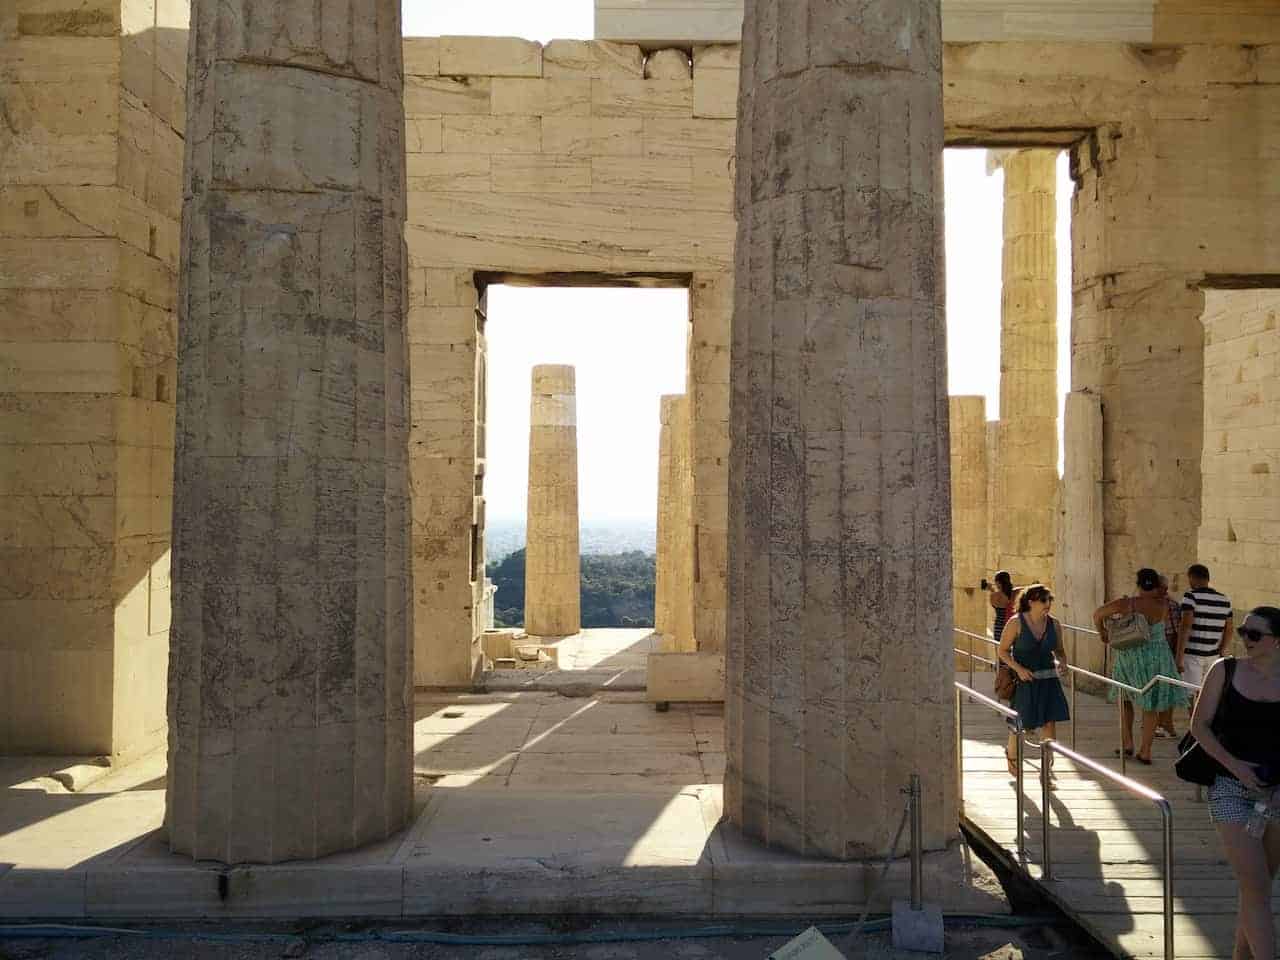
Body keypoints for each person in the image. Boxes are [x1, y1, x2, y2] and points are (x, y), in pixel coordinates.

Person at [1188, 606, 1280, 960]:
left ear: (1277, 641)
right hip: (1230, 787)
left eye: (1255, 634)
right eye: (1243, 631)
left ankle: (1241, 954)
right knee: (1255, 884)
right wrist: (1236, 767)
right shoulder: (1224, 670)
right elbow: (1199, 727)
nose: (1246, 639)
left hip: (1276, 793)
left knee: (1257, 887)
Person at [1092, 568, 1189, 765]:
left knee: (1124, 698)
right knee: (1150, 705)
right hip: (1156, 657)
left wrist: (1103, 633)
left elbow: (1098, 614)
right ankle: (1146, 750)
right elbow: (1164, 589)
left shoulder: (1126, 603)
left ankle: (1128, 743)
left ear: (1138, 584)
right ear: (1156, 585)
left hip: (1130, 655)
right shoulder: (1163, 604)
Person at [998, 584, 1070, 779]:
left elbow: (1060, 650)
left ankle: (1046, 770)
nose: (1048, 604)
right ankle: (1011, 755)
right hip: (1024, 681)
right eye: (1044, 600)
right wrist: (1019, 669)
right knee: (1020, 723)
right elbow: (1002, 651)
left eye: (1049, 600)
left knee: (1049, 723)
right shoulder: (1016, 622)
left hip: (1048, 681)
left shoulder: (1054, 624)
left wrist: (1063, 662)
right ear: (1031, 602)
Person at [1180, 563, 1234, 704]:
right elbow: (1229, 629)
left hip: (1192, 654)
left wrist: (1179, 657)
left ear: (1192, 577)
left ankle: (1195, 725)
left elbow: (1185, 626)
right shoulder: (1224, 600)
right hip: (1213, 654)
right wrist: (1222, 650)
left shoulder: (1190, 596)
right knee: (1208, 693)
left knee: (1192, 693)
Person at [1156, 574, 1183, 738]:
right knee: (1164, 689)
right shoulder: (1172, 604)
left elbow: (1175, 632)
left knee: (1164, 689)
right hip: (1164, 651)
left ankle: (1164, 724)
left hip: (1163, 651)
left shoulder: (1171, 605)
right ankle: (1162, 724)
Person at [988, 571, 1020, 650]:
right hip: (1012, 625)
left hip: (999, 626)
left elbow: (995, 603)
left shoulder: (993, 596)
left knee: (1001, 650)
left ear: (998, 582)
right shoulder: (1015, 593)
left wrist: (992, 590)